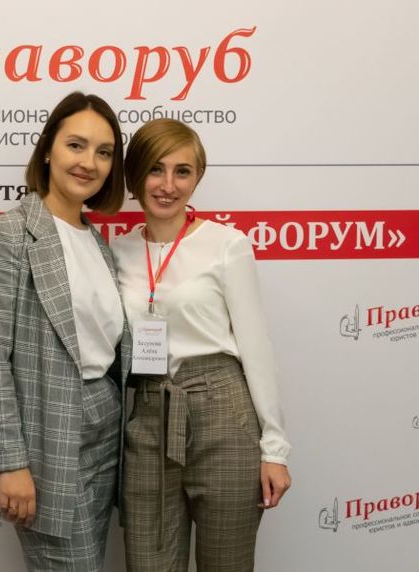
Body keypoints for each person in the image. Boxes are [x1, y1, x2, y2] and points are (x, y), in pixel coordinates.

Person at [111, 119, 291, 571]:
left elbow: (256, 347)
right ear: (135, 175)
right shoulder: (116, 251)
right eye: (156, 169)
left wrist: (274, 448)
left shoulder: (226, 245)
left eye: (183, 172)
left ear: (197, 178)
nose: (168, 185)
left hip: (223, 414)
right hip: (148, 415)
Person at [0, 92, 130, 571]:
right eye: (76, 145)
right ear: (47, 151)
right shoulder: (10, 233)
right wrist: (9, 462)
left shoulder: (97, 242)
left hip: (107, 428)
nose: (89, 162)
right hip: (49, 438)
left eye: (104, 152)